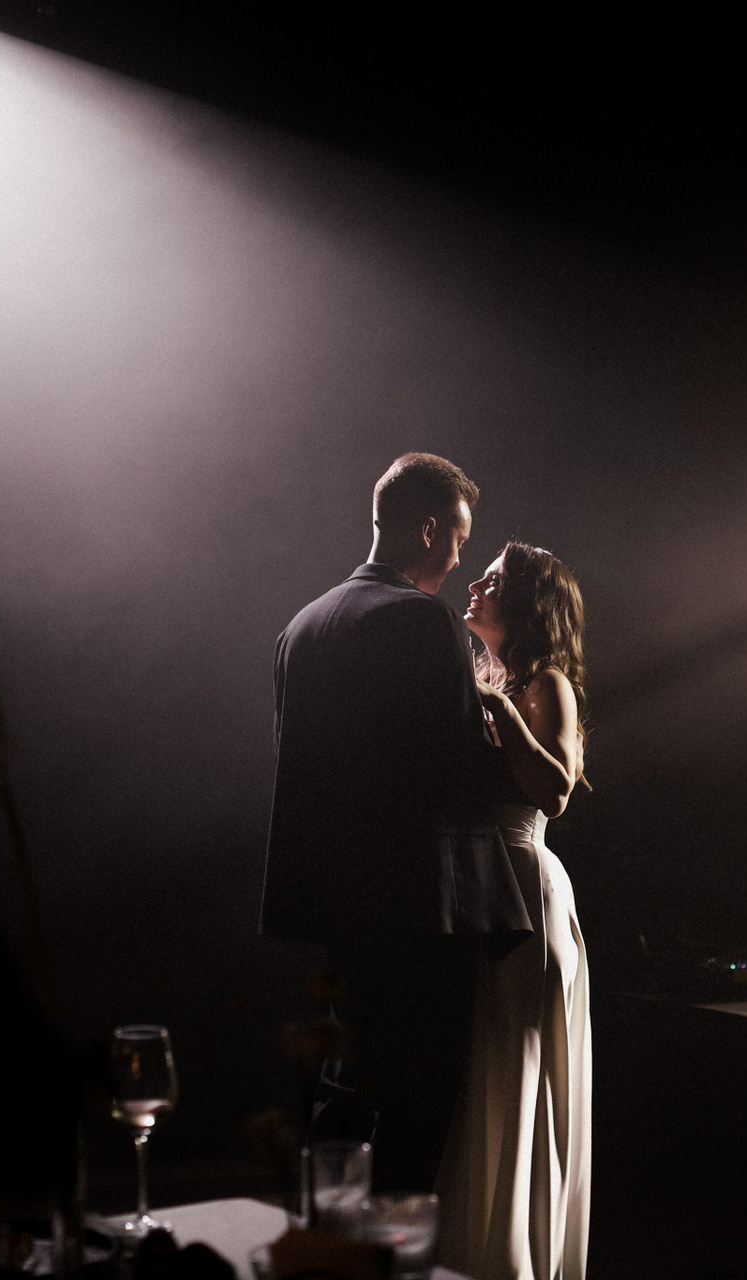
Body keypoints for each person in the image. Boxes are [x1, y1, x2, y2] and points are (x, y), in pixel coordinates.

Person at [261, 453, 532, 1193]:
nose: (460, 559)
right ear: (429, 529)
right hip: (420, 910)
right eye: (459, 540)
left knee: (345, 1089)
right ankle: (394, 1246)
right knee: (417, 1110)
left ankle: (326, 1238)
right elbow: (459, 772)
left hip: (337, 909)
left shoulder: (302, 627)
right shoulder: (420, 620)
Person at [438, 541, 593, 1280]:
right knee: (485, 1070)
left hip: (524, 887)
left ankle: (515, 1256)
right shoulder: (481, 675)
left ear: (528, 604)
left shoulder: (544, 683)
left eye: (495, 579)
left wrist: (501, 708)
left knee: (518, 1068)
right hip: (478, 886)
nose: (475, 582)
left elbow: (556, 790)